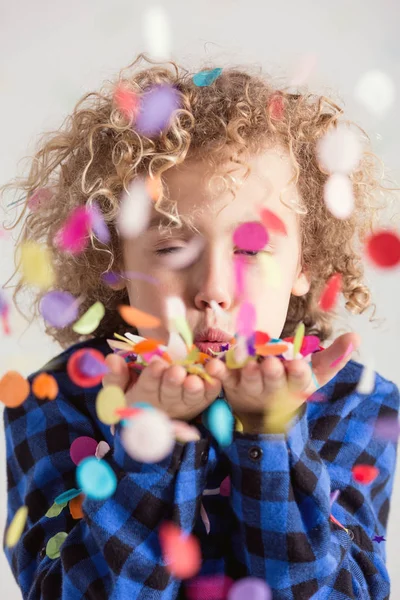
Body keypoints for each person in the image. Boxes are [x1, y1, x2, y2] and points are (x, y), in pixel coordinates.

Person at [2, 54, 399, 599]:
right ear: (115, 259)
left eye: (250, 247)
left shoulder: (360, 403)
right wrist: (150, 446)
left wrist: (272, 434)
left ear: (305, 264)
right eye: (170, 247)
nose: (214, 288)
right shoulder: (54, 404)